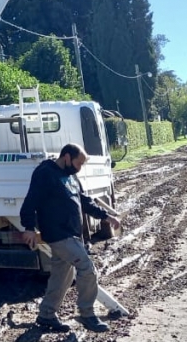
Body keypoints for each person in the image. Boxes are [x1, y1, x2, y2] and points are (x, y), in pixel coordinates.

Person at [20, 143, 121, 333]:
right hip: (58, 235)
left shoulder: (71, 176)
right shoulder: (45, 173)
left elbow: (85, 201)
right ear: (66, 157)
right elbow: (30, 201)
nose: (79, 168)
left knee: (62, 277)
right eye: (78, 163)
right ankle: (87, 314)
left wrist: (107, 216)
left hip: (72, 234)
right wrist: (29, 227)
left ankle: (46, 315)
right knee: (87, 268)